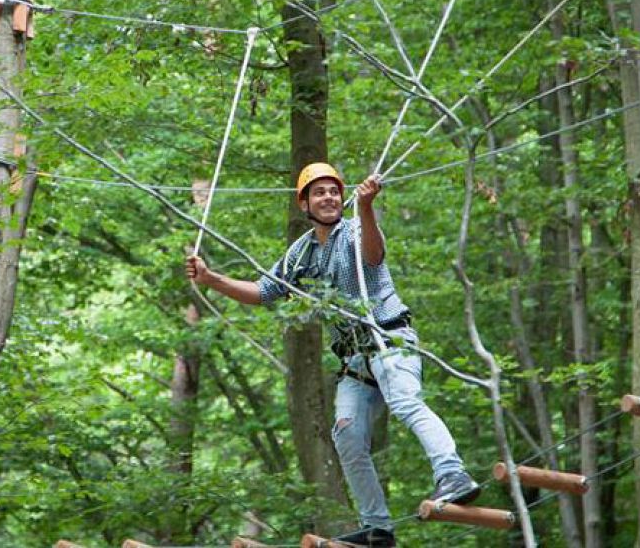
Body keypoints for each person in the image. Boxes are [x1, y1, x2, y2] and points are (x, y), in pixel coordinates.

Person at [186, 163, 478, 547]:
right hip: (355, 362)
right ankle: (378, 528)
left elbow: (374, 255)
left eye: (334, 191)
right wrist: (211, 280)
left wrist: (368, 206)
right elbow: (263, 292)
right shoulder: (300, 253)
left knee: (405, 401)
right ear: (304, 203)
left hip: (389, 339)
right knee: (347, 435)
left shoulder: (356, 229)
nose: (328, 198)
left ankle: (452, 474)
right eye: (319, 192)